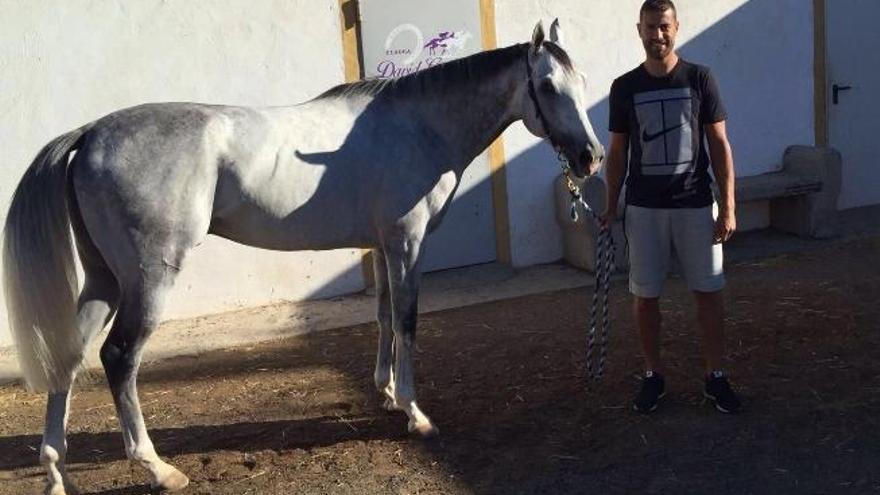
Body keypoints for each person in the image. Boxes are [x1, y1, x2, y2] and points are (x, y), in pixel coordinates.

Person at [603, 0, 741, 413]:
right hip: (644, 209)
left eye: (663, 26)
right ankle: (653, 375)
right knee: (645, 297)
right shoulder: (624, 87)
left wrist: (729, 205)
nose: (656, 34)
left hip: (696, 205)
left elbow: (719, 144)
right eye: (650, 27)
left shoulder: (700, 78)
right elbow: (617, 152)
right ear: (638, 30)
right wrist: (611, 205)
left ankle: (716, 376)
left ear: (676, 27)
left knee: (709, 292)